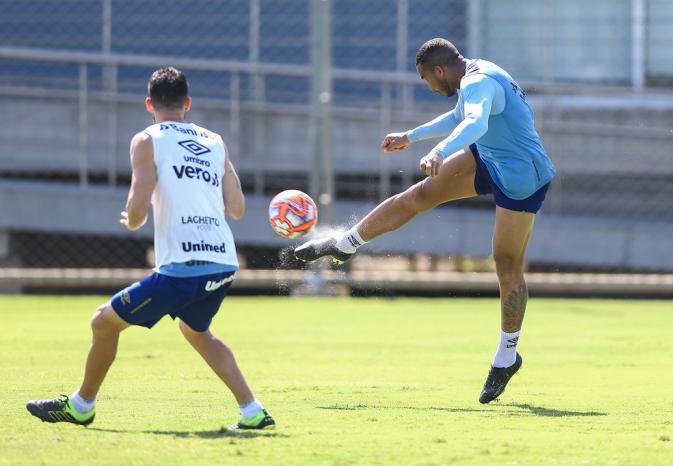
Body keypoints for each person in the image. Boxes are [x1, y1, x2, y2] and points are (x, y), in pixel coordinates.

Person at [295, 38, 556, 404]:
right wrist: (411, 136)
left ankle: (507, 356)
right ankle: (344, 245)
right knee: (418, 196)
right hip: (491, 157)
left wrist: (438, 151)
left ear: (439, 71)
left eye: (425, 79)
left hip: (521, 175)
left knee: (506, 264)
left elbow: (476, 121)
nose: (428, 86)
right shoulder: (472, 72)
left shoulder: (478, 82)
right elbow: (460, 116)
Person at [27, 67, 275, 430]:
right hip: (222, 262)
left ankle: (81, 406)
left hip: (183, 267)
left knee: (102, 323)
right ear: (187, 103)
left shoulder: (147, 139)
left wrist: (130, 219)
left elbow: (138, 205)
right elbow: (236, 209)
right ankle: (252, 412)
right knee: (197, 333)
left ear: (149, 104)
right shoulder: (215, 141)